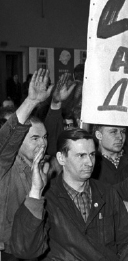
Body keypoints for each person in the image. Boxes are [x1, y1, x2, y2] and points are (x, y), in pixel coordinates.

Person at [9, 129, 128, 260]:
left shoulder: (108, 193)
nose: (89, 163)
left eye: (92, 155)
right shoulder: (47, 199)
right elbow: (25, 251)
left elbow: (126, 241)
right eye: (81, 156)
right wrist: (35, 190)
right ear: (61, 158)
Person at [0, 69, 53, 260]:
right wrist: (31, 101)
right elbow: (5, 141)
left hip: (36, 247)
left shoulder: (44, 167)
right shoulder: (6, 166)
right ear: (19, 140)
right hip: (9, 251)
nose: (43, 143)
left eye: (45, 137)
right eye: (35, 138)